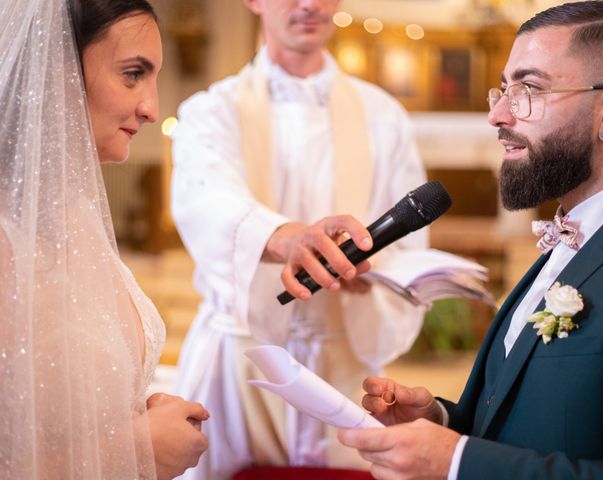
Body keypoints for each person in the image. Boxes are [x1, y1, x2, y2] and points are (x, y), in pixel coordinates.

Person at [338, 1, 603, 479]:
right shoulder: (574, 234)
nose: (497, 114)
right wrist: (445, 423)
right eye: (502, 90)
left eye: (529, 89)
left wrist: (456, 462)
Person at [170, 0, 428, 477]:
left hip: (343, 358)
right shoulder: (212, 110)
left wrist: (372, 275)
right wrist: (287, 239)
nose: (309, 4)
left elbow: (412, 243)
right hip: (240, 360)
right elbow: (206, 202)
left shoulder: (383, 115)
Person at [0, 0, 209, 478]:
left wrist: (138, 415)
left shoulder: (74, 214)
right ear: (55, 72)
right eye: (133, 74)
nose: (152, 108)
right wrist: (136, 447)